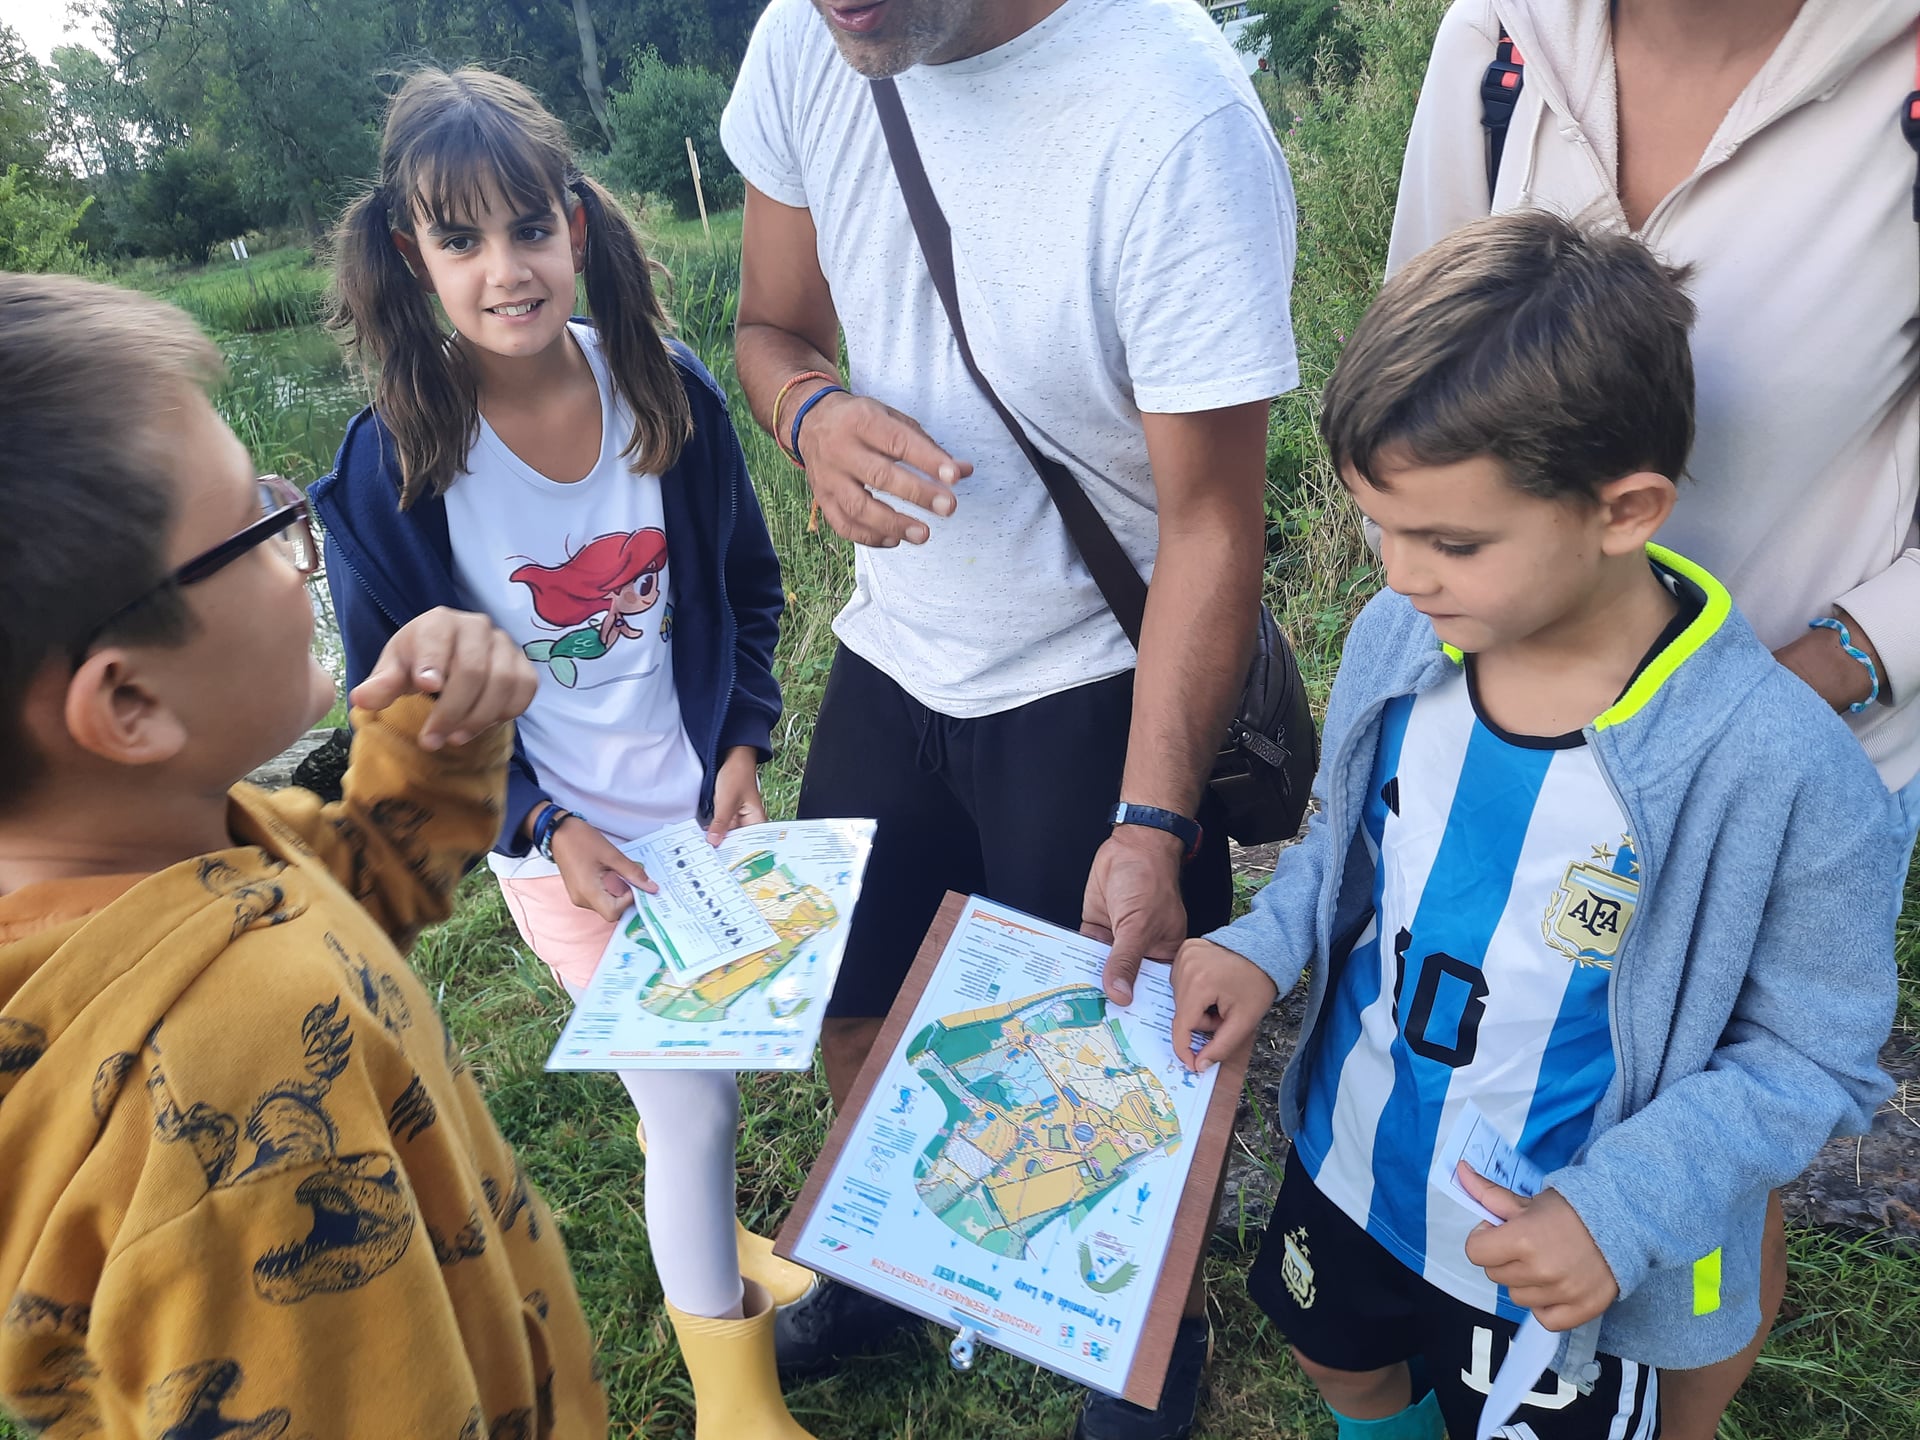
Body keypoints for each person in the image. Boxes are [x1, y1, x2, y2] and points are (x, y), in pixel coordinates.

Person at [1168, 212, 1905, 1440]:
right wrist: (1267, 941)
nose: (1400, 574)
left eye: (1450, 541)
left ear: (1626, 511)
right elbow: (1346, 850)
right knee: (1340, 1362)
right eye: (1379, 526)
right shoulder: (1400, 645)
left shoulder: (1781, 767)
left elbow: (1814, 1057)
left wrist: (1618, 1212)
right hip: (1345, 1163)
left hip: (1560, 1256)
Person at [722, 3, 1298, 1433]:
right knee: (859, 1009)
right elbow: (769, 324)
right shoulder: (809, 37)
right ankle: (892, 1276)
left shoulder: (1176, 118)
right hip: (896, 646)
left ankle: (1147, 1347)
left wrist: (1155, 818)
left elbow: (1216, 524)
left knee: (1105, 1067)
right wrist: (806, 414)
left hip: (1096, 666)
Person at [1386, 6, 1920, 1431]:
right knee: (1496, 1067)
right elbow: (1420, 356)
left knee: (1693, 1167)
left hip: (1795, 750)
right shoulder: (1495, 39)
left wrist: (1793, 693)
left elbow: (1800, 1059)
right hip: (1505, 722)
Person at [0, 274, 604, 1437]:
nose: (302, 550)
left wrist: (436, 747)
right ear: (125, 702)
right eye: (261, 526)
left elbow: (347, 903)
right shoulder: (236, 1082)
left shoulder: (151, 872)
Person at [309, 69, 806, 1440]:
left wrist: (745, 741)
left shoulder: (663, 389)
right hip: (565, 857)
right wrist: (539, 828)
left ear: (576, 228)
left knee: (710, 1081)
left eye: (527, 229)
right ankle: (734, 1400)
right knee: (695, 1110)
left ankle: (717, 1245)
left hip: (699, 829)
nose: (504, 269)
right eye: (460, 241)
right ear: (413, 259)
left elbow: (749, 590)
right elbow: (397, 701)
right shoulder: (396, 467)